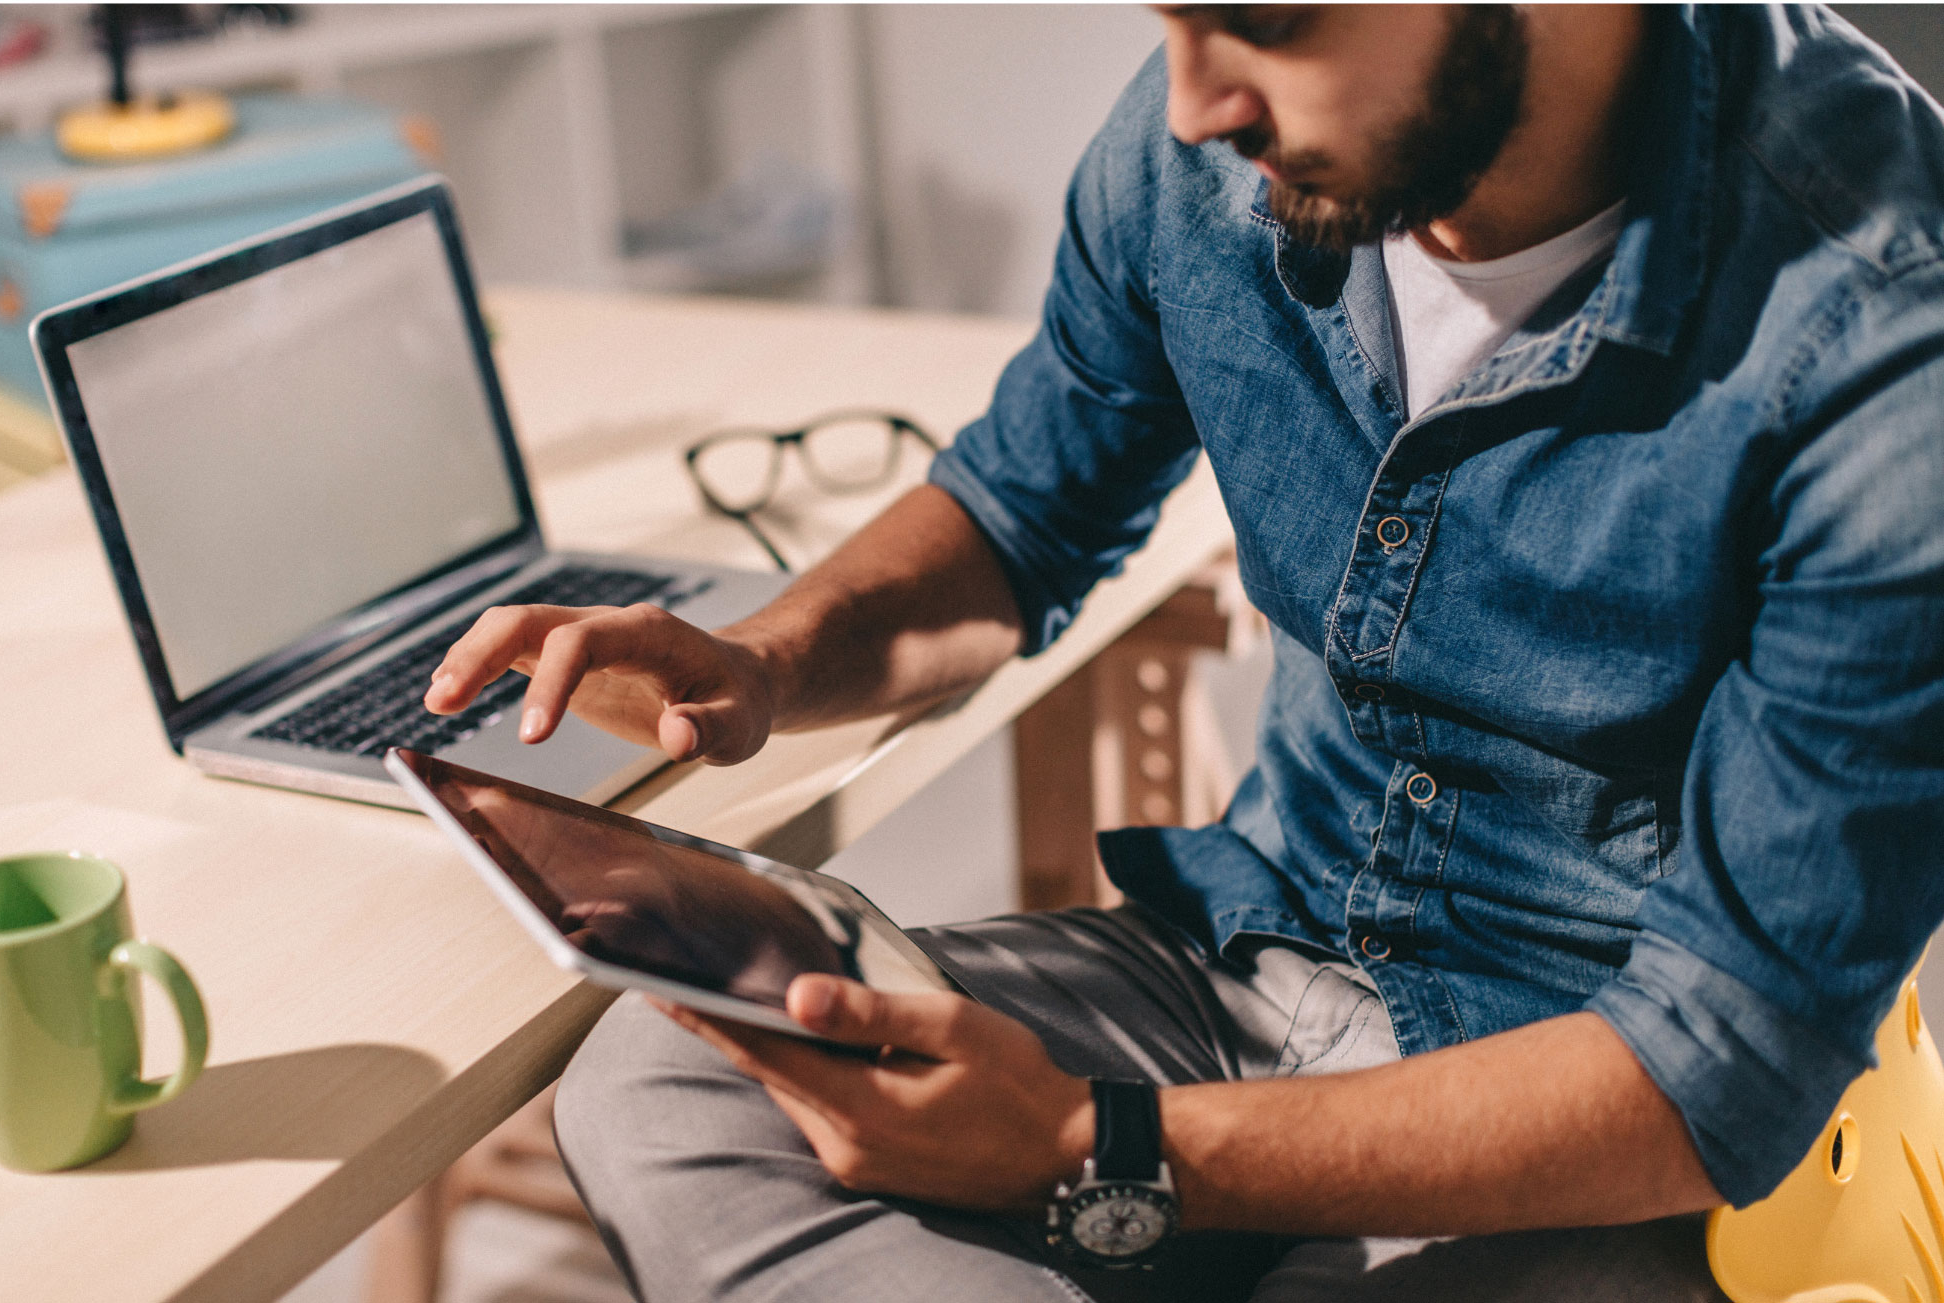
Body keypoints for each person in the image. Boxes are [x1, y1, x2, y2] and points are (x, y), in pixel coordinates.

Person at [423, 5, 1944, 1298]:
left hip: (1586, 1107)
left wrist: (1099, 1149)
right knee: (668, 1079)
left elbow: (1713, 1072)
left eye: (1266, 20)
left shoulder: (1882, 331)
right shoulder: (1213, 147)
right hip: (1245, 961)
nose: (1197, 99)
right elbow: (1023, 511)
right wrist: (761, 663)